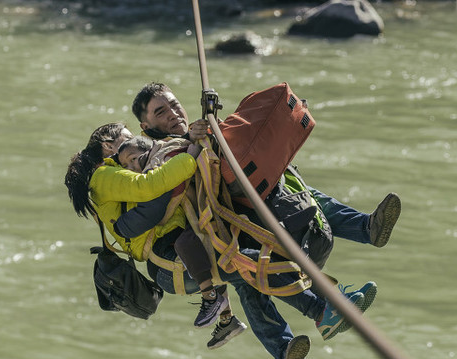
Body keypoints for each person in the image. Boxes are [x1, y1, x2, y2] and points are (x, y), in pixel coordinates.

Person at [66, 122, 376, 359]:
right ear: (108, 146)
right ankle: (324, 309)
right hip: (170, 261)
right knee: (245, 262)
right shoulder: (104, 175)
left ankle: (284, 347)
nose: (132, 138)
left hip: (181, 253)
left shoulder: (127, 165)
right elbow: (151, 187)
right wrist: (191, 153)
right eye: (123, 136)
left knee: (245, 276)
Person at [131, 82, 401, 249]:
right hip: (225, 215)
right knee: (297, 192)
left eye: (174, 106)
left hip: (242, 190)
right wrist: (193, 138)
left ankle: (366, 228)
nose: (173, 113)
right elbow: (169, 173)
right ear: (146, 126)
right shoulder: (151, 149)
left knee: (301, 188)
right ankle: (365, 230)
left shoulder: (193, 130)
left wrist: (211, 121)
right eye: (161, 112)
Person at [113, 135, 230, 328]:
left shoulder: (163, 157)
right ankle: (226, 317)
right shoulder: (158, 160)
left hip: (204, 211)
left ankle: (211, 297)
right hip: (197, 212)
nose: (133, 167)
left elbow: (173, 186)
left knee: (185, 244)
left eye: (133, 159)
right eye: (127, 165)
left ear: (148, 148)